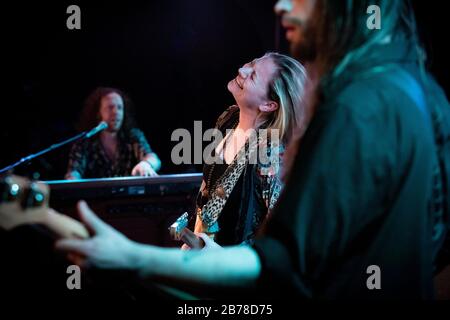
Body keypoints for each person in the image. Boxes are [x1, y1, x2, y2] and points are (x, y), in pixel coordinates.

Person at [56, 0, 448, 299]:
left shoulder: (355, 107)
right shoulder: (418, 91)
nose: (281, 6)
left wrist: (134, 258)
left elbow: (282, 260)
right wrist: (187, 231)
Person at [188, 52, 306, 247]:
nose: (242, 70)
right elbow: (207, 188)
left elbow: (280, 240)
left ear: (268, 104)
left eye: (252, 75)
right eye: (251, 63)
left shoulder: (271, 154)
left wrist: (223, 258)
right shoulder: (229, 118)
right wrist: (195, 238)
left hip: (239, 271)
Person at [65, 87, 161, 179]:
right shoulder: (84, 141)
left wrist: (146, 164)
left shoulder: (132, 135)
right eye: (110, 107)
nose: (116, 112)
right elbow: (74, 171)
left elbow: (153, 158)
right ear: (98, 113)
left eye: (120, 108)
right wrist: (72, 180)